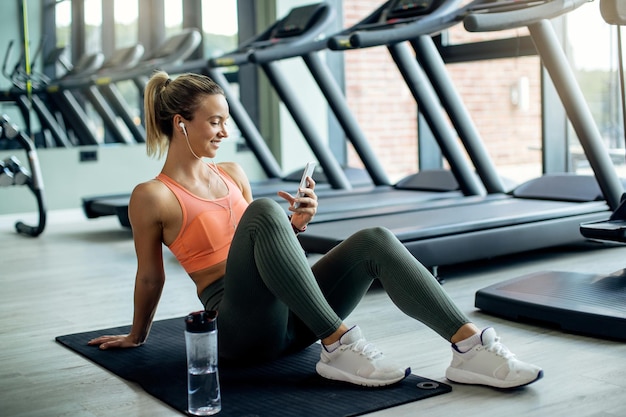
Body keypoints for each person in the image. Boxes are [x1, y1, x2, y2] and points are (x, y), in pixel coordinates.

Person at [88, 71, 543, 390]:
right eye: (215, 121)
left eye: (226, 119)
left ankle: (470, 349)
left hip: (290, 317)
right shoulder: (152, 195)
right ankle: (341, 344)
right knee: (265, 210)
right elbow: (151, 275)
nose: (225, 130)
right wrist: (137, 335)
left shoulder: (231, 172)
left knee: (374, 240)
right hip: (239, 330)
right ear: (180, 124)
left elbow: (262, 246)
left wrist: (296, 227)